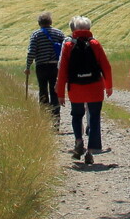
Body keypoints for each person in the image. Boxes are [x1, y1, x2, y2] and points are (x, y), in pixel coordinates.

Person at [57, 16, 114, 165]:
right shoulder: (95, 44)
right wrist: (108, 85)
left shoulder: (68, 45)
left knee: (76, 115)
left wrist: (60, 93)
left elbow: (62, 71)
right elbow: (106, 66)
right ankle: (90, 150)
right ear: (89, 29)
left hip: (75, 88)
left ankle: (78, 140)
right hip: (95, 87)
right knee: (94, 118)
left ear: (74, 29)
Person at [25, 11, 65, 122]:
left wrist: (28, 66)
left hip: (41, 66)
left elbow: (31, 52)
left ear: (39, 23)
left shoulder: (36, 35)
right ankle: (55, 121)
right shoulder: (59, 33)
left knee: (43, 91)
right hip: (56, 67)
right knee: (55, 92)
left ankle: (44, 120)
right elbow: (65, 50)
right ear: (50, 22)